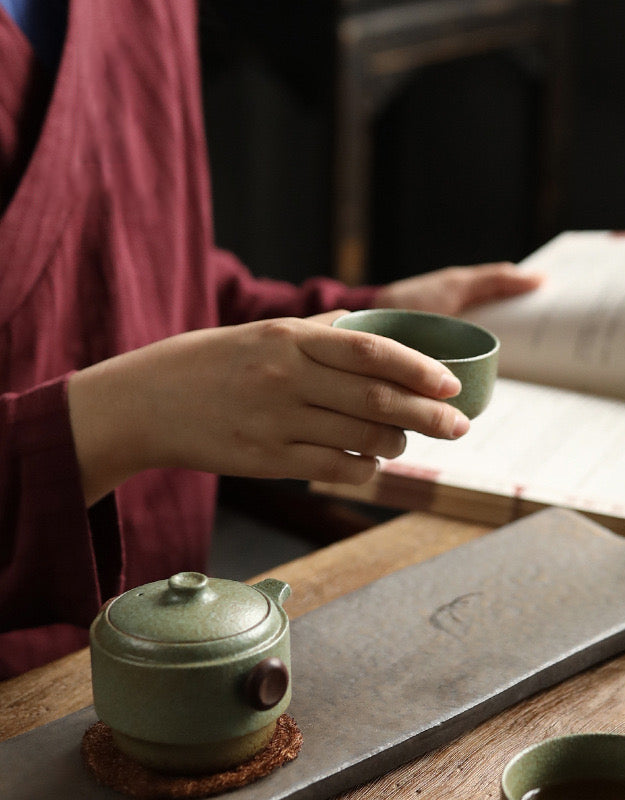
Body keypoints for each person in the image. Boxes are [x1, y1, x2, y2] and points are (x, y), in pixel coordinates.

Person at [0, 0, 540, 679]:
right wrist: (124, 418)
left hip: (180, 620)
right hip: (27, 679)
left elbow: (126, 261)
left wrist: (358, 316)